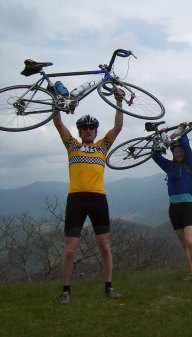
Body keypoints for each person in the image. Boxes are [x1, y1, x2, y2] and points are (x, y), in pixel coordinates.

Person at [53, 87, 124, 304]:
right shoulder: (72, 145)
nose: (88, 131)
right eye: (84, 128)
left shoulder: (103, 146)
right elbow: (58, 123)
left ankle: (109, 287)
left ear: (95, 130)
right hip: (76, 199)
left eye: (92, 128)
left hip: (98, 198)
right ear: (80, 131)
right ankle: (66, 290)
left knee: (104, 245)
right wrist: (55, 102)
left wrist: (119, 100)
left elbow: (118, 126)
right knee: (70, 249)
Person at [152, 124, 192, 284]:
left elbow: (186, 145)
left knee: (190, 241)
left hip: (188, 206)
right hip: (174, 208)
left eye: (181, 151)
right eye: (176, 152)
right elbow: (155, 156)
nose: (179, 153)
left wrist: (182, 132)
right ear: (173, 153)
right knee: (184, 245)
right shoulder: (170, 166)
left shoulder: (189, 164)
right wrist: (158, 137)